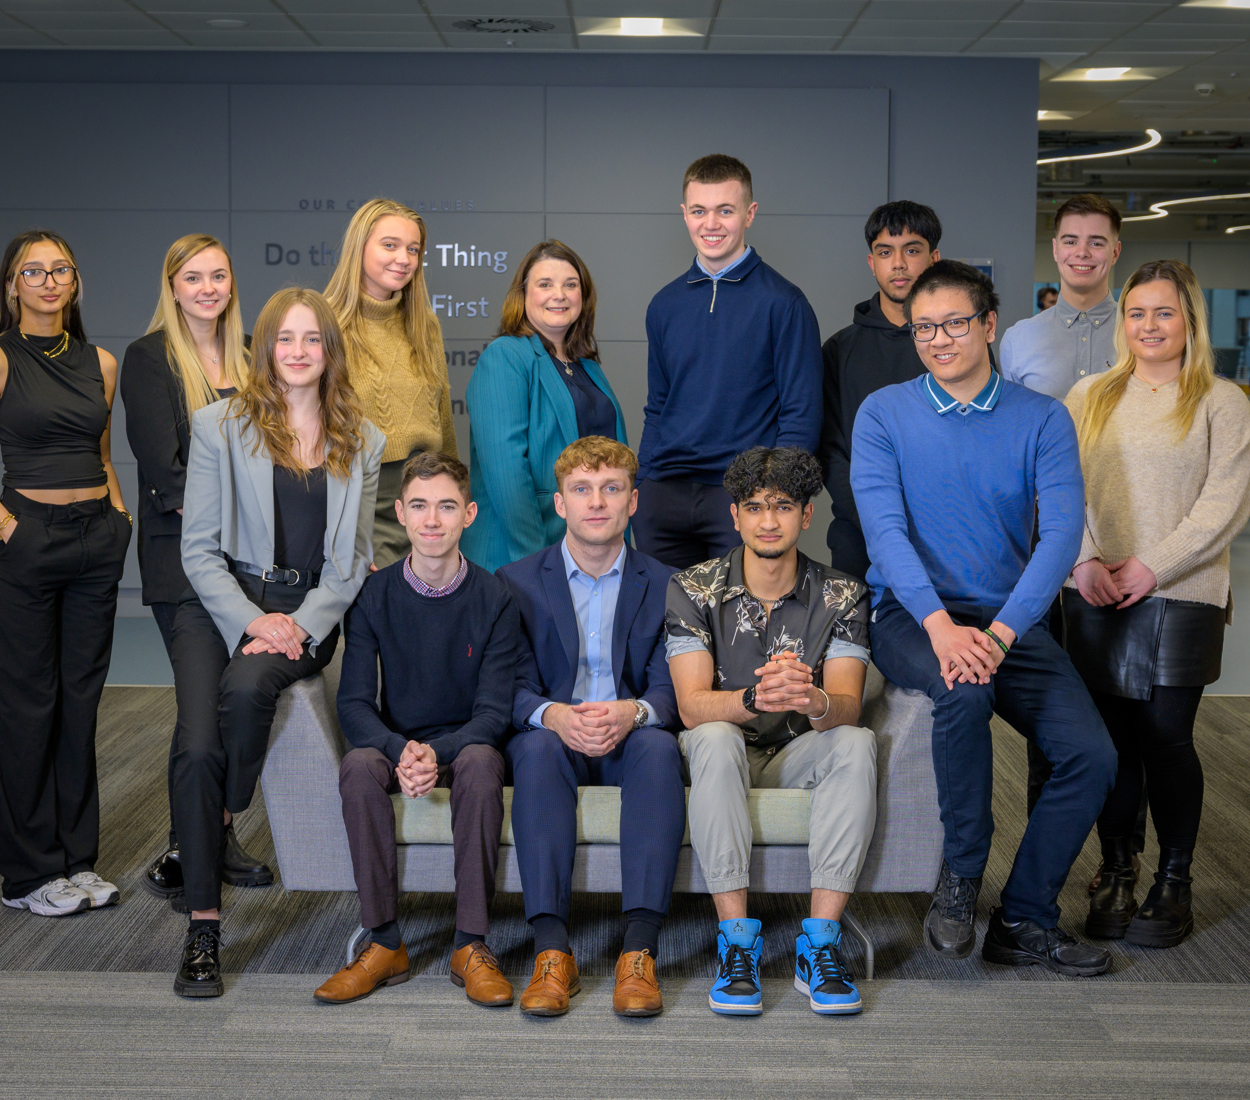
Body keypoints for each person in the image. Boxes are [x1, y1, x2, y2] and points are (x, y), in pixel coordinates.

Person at [852, 260, 1118, 976]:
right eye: (923, 327)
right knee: (961, 691)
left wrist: (1000, 634)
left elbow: (1060, 535)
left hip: (1010, 619)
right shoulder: (884, 413)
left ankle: (1024, 914)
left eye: (954, 323)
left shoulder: (1042, 418)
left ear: (989, 324)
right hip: (912, 614)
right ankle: (962, 877)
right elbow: (886, 535)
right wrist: (942, 629)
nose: (938, 339)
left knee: (1092, 756)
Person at [171, 287, 384, 998]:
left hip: (308, 608)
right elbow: (197, 549)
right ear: (264, 349)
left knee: (245, 687)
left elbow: (352, 562)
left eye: (312, 339)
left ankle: (222, 816)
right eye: (285, 339)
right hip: (222, 601)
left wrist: (302, 622)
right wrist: (248, 619)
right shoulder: (219, 425)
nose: (298, 352)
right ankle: (204, 929)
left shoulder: (363, 437)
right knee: (198, 746)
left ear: (330, 351)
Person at [1064, 260, 1250, 948]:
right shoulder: (1089, 393)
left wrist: (1153, 565)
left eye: (1164, 313)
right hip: (1096, 590)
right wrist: (1084, 559)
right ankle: (1117, 868)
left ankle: (1175, 878)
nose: (1149, 326)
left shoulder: (1221, 401)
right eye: (1137, 313)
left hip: (1183, 591)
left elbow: (1224, 506)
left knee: (1165, 737)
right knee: (1112, 744)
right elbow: (1061, 488)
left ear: (1190, 321)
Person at [667, 446, 876, 1017]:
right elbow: (689, 708)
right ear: (734, 515)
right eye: (754, 507)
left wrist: (812, 699)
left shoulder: (843, 594)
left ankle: (820, 945)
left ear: (806, 516)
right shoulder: (693, 587)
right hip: (722, 749)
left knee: (856, 742)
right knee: (712, 734)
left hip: (796, 751)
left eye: (783, 507)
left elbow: (849, 706)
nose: (767, 520)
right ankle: (737, 945)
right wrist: (754, 698)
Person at [316, 452, 521, 1006]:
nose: (433, 520)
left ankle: (469, 943)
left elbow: (494, 714)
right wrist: (400, 748)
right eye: (421, 506)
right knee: (357, 765)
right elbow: (355, 705)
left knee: (482, 761)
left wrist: (433, 751)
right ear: (402, 514)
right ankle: (383, 942)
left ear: (469, 515)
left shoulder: (496, 597)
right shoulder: (373, 596)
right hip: (396, 741)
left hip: (462, 743)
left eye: (447, 506)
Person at [498, 437, 685, 1018]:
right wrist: (553, 715)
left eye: (611, 489)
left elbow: (674, 685)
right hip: (557, 737)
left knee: (657, 748)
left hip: (631, 738)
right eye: (582, 489)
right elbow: (504, 685)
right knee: (534, 749)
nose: (596, 502)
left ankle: (639, 953)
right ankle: (553, 952)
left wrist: (633, 713)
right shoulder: (515, 582)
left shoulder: (670, 583)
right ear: (560, 504)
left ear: (634, 501)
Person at [121, 233, 273, 909]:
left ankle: (204, 838)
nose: (208, 288)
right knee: (200, 712)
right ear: (173, 286)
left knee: (230, 709)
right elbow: (165, 472)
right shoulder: (150, 358)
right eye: (194, 277)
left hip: (251, 570)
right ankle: (193, 852)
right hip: (185, 564)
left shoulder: (248, 358)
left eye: (219, 276)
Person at [999, 194, 1132, 877]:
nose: (1082, 252)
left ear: (1115, 250)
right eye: (1071, 240)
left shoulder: (1138, 330)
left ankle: (1118, 861)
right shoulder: (1020, 337)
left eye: (1096, 241)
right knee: (1048, 708)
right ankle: (1045, 860)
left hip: (1122, 539)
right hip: (1042, 547)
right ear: (1055, 249)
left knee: (1119, 709)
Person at [0, 230, 129, 917]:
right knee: (28, 705)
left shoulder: (99, 362)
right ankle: (26, 873)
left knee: (80, 706)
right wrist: (8, 526)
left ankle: (77, 860)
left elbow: (102, 451)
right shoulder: (1, 358)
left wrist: (117, 516)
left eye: (61, 270)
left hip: (94, 542)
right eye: (34, 271)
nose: (49, 281)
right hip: (28, 539)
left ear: (74, 282)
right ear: (13, 284)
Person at [635, 154, 822, 570]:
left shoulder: (784, 303)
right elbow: (658, 406)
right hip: (663, 495)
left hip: (743, 494)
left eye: (726, 210)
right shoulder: (664, 305)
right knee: (663, 628)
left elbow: (801, 412)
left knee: (740, 629)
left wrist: (770, 497)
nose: (711, 224)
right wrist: (642, 484)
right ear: (684, 215)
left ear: (750, 214)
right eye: (699, 211)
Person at [463, 240, 627, 574]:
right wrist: (539, 563)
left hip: (584, 551)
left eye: (571, 284)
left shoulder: (586, 366)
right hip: (518, 554)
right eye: (545, 284)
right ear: (523, 296)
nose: (560, 294)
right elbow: (507, 473)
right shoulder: (505, 356)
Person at [324, 198, 456, 568]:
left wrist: (453, 497)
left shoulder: (425, 325)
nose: (404, 259)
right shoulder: (323, 322)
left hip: (426, 494)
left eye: (413, 249)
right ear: (359, 247)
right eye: (390, 245)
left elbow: (443, 417)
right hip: (362, 500)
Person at [816, 200, 941, 580]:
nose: (899, 263)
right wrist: (876, 518)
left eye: (912, 250)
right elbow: (830, 450)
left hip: (945, 533)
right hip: (860, 535)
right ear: (872, 263)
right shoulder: (840, 350)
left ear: (934, 258)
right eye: (885, 252)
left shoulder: (956, 344)